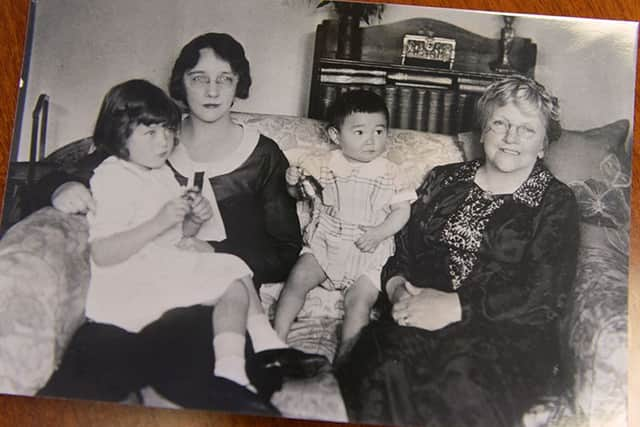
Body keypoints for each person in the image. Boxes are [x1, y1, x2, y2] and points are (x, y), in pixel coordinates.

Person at [35, 33, 327, 412]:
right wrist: (64, 186)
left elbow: (286, 250)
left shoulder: (263, 154)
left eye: (225, 78)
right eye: (198, 77)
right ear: (181, 84)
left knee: (196, 364)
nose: (211, 90)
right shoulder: (148, 144)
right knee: (96, 368)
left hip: (217, 301)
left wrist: (209, 251)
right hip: (144, 285)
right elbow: (59, 176)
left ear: (240, 84)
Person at [336, 75, 580, 427]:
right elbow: (400, 252)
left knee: (458, 389)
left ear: (543, 144)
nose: (511, 137)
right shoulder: (443, 179)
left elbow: (544, 296)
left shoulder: (555, 202)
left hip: (503, 335)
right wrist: (398, 290)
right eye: (500, 123)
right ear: (482, 131)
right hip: (416, 316)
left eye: (526, 129)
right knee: (377, 370)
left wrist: (454, 307)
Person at [273, 90, 414, 360]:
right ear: (336, 136)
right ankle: (276, 340)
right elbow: (301, 195)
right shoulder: (323, 164)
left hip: (369, 249)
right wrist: (293, 183)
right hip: (327, 241)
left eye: (379, 131)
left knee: (359, 303)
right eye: (360, 132)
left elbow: (401, 212)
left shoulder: (392, 172)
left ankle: (346, 360)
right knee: (297, 281)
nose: (372, 140)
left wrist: (379, 234)